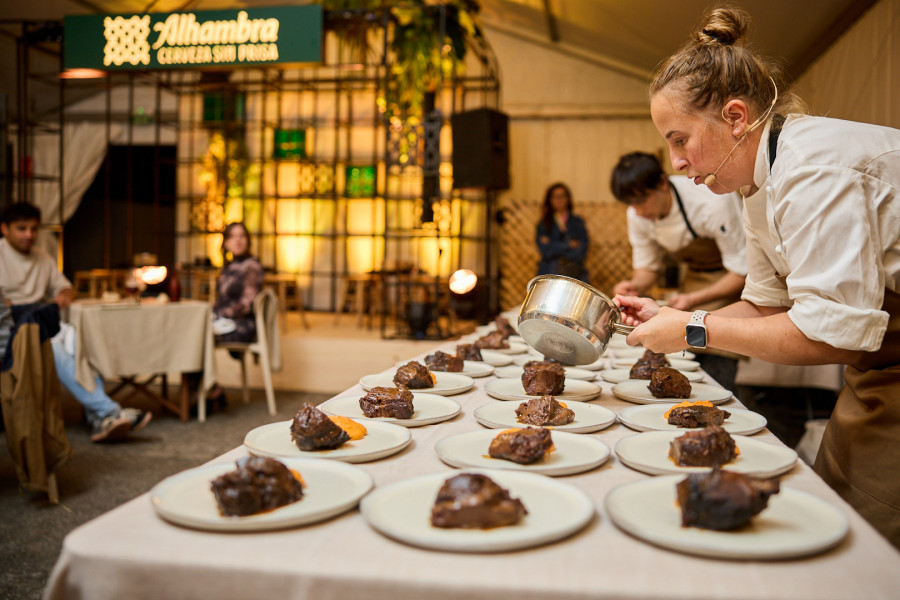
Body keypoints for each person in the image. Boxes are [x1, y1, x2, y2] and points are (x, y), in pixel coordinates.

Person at [613, 6, 900, 547]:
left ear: (737, 117)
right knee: (836, 499)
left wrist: (694, 327)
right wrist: (673, 317)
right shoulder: (753, 184)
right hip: (879, 369)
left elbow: (826, 332)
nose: (675, 161)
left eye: (679, 139)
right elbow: (766, 305)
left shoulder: (814, 169)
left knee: (871, 532)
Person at [0, 202, 152, 442]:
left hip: (42, 321)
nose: (29, 235)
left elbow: (66, 288)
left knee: (82, 341)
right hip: (10, 332)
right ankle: (108, 412)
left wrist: (63, 296)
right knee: (52, 345)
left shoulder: (43, 258)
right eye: (22, 229)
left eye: (33, 229)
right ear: (5, 229)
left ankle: (101, 418)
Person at [610, 151, 747, 391]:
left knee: (717, 368)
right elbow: (647, 268)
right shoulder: (637, 213)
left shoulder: (712, 202)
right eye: (631, 204)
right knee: (685, 366)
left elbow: (741, 272)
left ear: (662, 183)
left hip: (729, 285)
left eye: (642, 201)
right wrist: (635, 286)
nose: (638, 211)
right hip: (692, 282)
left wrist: (693, 299)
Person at [194, 221, 264, 410]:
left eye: (242, 235)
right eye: (233, 236)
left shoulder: (252, 266)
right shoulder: (229, 266)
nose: (238, 240)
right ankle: (207, 390)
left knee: (196, 338)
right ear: (225, 243)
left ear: (248, 240)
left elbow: (246, 304)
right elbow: (221, 300)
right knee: (192, 334)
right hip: (225, 322)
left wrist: (218, 314)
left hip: (243, 326)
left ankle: (209, 392)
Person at [536, 183, 589, 282]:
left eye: (562, 196)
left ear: (568, 198)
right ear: (549, 200)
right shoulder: (543, 224)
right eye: (555, 197)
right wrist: (568, 245)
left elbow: (582, 250)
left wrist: (554, 246)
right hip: (549, 274)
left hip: (574, 273)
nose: (559, 200)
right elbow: (545, 251)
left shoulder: (577, 222)